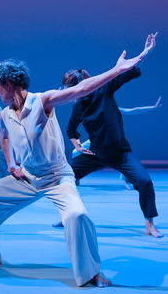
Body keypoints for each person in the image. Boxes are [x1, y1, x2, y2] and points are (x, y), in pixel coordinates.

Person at [0, 33, 157, 288]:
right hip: (28, 177)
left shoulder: (42, 101)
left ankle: (92, 272)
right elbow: (4, 137)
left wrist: (116, 70)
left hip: (57, 176)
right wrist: (11, 163)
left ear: (9, 83)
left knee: (77, 215)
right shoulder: (6, 114)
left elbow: (83, 88)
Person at [64, 33, 162, 238]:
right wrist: (77, 145)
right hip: (95, 153)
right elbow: (71, 129)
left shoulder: (104, 89)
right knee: (64, 179)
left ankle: (149, 224)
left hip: (119, 151)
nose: (70, 94)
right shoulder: (78, 106)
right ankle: (70, 215)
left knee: (145, 182)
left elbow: (128, 71)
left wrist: (146, 51)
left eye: (72, 89)